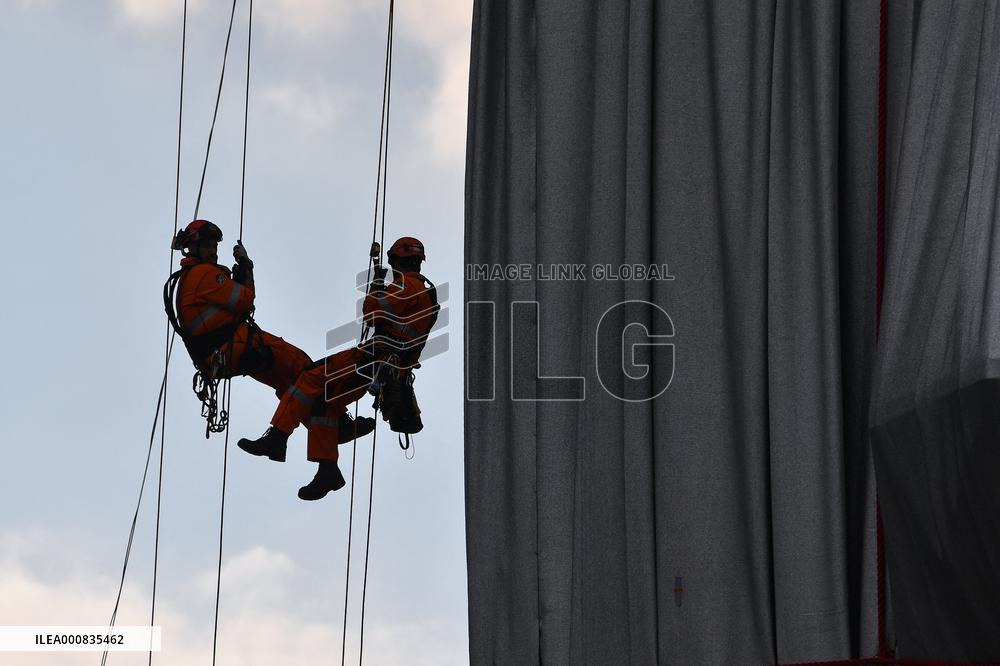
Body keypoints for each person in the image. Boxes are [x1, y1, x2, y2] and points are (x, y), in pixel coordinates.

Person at [237, 236, 439, 501]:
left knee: (308, 379)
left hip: (373, 359)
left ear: (398, 259)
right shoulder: (426, 291)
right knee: (324, 402)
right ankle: (328, 470)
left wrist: (377, 288)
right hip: (387, 368)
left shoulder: (406, 285)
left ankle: (277, 436)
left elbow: (371, 312)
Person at [166, 219, 374, 446]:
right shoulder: (204, 274)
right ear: (192, 247)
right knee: (303, 367)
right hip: (239, 346)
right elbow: (245, 300)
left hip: (225, 357)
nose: (213, 252)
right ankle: (339, 423)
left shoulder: (189, 279)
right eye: (208, 246)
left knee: (291, 386)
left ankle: (325, 434)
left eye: (215, 246)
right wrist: (246, 267)